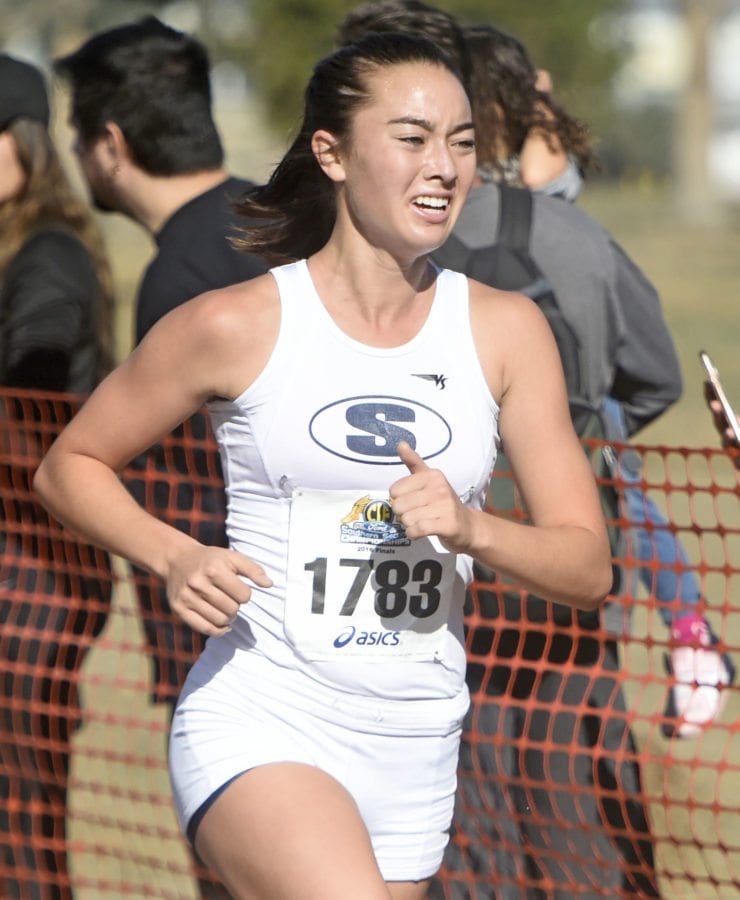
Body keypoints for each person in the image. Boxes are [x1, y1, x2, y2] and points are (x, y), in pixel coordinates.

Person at [34, 31, 612, 899]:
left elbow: (587, 566)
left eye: (461, 142)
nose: (445, 166)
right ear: (331, 154)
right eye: (413, 138)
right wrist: (174, 555)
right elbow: (69, 463)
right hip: (264, 716)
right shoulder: (236, 323)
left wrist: (472, 526)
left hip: (414, 741)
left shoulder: (504, 331)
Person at [339, 3, 678, 896]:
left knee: (450, 830)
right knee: (584, 831)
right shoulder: (574, 239)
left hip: (413, 587)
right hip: (559, 593)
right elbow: (657, 379)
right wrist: (556, 451)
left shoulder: (361, 243)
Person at [54, 17, 268, 719]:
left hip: (233, 629)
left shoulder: (180, 281)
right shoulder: (278, 221)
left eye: (79, 137)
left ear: (111, 145)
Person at [0, 53, 114, 900]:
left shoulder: (49, 256)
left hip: (36, 570)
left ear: (25, 144)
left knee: (18, 811)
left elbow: (32, 379)